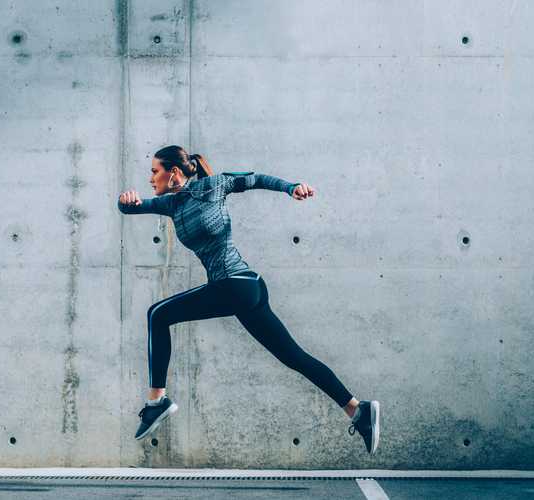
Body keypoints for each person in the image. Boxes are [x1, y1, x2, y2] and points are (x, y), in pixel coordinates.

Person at [117, 145, 380, 454]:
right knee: (293, 357)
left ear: (173, 172)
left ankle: (156, 402)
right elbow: (132, 208)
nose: (150, 178)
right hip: (241, 290)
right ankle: (357, 410)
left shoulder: (213, 186)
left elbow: (255, 179)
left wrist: (291, 187)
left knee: (157, 314)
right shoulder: (171, 205)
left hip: (238, 284)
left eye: (154, 171)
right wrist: (125, 201)